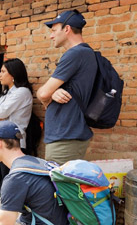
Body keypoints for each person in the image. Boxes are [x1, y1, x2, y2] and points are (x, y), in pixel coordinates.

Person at [37, 9, 97, 165]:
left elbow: (43, 93)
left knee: (61, 187)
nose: (51, 36)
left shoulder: (75, 54)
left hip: (65, 135)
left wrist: (47, 98)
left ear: (67, 29)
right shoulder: (86, 53)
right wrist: (53, 92)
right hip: (69, 133)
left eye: (54, 31)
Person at [0, 58, 33, 196]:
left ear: (13, 74)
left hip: (12, 143)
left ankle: (7, 213)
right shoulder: (4, 94)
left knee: (8, 181)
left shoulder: (22, 92)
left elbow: (0, 112)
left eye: (3, 71)